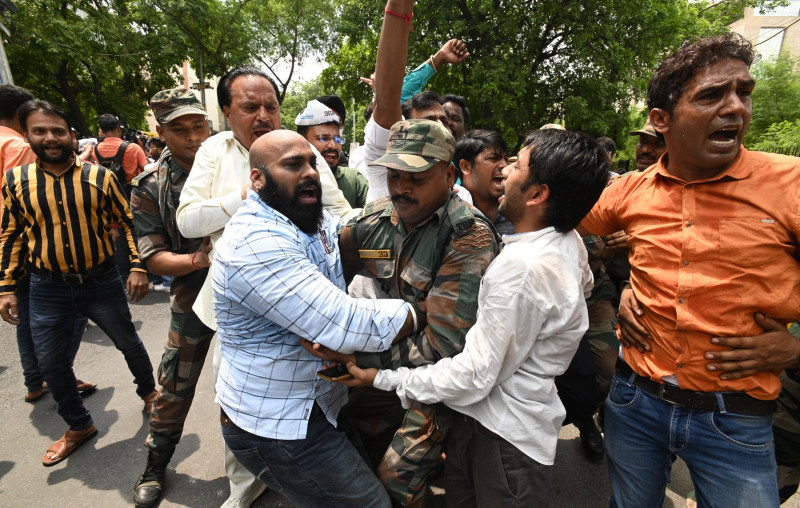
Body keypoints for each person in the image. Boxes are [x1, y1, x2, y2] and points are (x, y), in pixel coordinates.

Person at [329, 128, 610, 506]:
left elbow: (468, 369)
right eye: (394, 175)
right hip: (479, 411)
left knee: (399, 477)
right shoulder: (560, 242)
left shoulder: (503, 258)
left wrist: (377, 374)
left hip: (494, 422)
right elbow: (583, 286)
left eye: (516, 165)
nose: (506, 171)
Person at [581, 33, 800, 507]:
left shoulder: (791, 184)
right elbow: (557, 224)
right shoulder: (630, 190)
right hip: (634, 403)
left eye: (743, 92)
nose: (736, 108)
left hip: (737, 420)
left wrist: (797, 349)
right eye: (712, 95)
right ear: (661, 120)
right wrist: (618, 287)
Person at [176, 65, 356, 508]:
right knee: (241, 407)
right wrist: (249, 194)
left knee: (322, 390)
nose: (263, 115)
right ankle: (242, 490)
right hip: (239, 313)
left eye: (271, 106)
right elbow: (187, 221)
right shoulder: (214, 152)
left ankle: (313, 475)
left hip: (307, 300)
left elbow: (340, 212)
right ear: (225, 111)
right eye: (249, 106)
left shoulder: (301, 152)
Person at [213, 130, 419, 507]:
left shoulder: (307, 215)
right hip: (278, 427)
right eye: (293, 165)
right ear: (257, 178)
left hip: (319, 404)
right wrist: (425, 311)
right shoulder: (256, 243)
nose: (310, 172)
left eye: (311, 163)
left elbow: (345, 247)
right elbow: (344, 325)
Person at [312, 119, 500, 506]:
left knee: (396, 476)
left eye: (416, 177)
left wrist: (359, 359)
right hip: (396, 355)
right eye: (394, 175)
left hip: (448, 377)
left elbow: (447, 345)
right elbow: (333, 270)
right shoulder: (378, 221)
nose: (401, 188)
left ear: (449, 175)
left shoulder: (467, 235)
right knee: (357, 433)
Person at [0, 100, 156, 467]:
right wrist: (6, 285)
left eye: (57, 131)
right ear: (28, 136)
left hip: (100, 281)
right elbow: (11, 235)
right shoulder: (16, 181)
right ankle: (79, 425)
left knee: (128, 343)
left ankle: (150, 394)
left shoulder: (99, 177)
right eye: (40, 131)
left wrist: (137, 267)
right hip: (46, 287)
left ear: (71, 135)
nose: (50, 138)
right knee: (51, 364)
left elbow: (128, 222)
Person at [129, 89, 214, 508]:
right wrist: (199, 259)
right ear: (160, 133)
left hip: (253, 292)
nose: (194, 137)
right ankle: (155, 464)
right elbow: (154, 255)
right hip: (195, 293)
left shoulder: (237, 164)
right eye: (180, 129)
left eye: (199, 125)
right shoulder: (151, 186)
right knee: (175, 384)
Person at [295, 96, 369, 208]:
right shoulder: (288, 181)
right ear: (302, 141)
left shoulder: (354, 180)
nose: (333, 145)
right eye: (323, 138)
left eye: (337, 139)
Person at [454, 129, 512, 235]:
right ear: (466, 167)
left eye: (506, 159)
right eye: (493, 158)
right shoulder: (449, 210)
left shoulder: (519, 208)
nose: (504, 166)